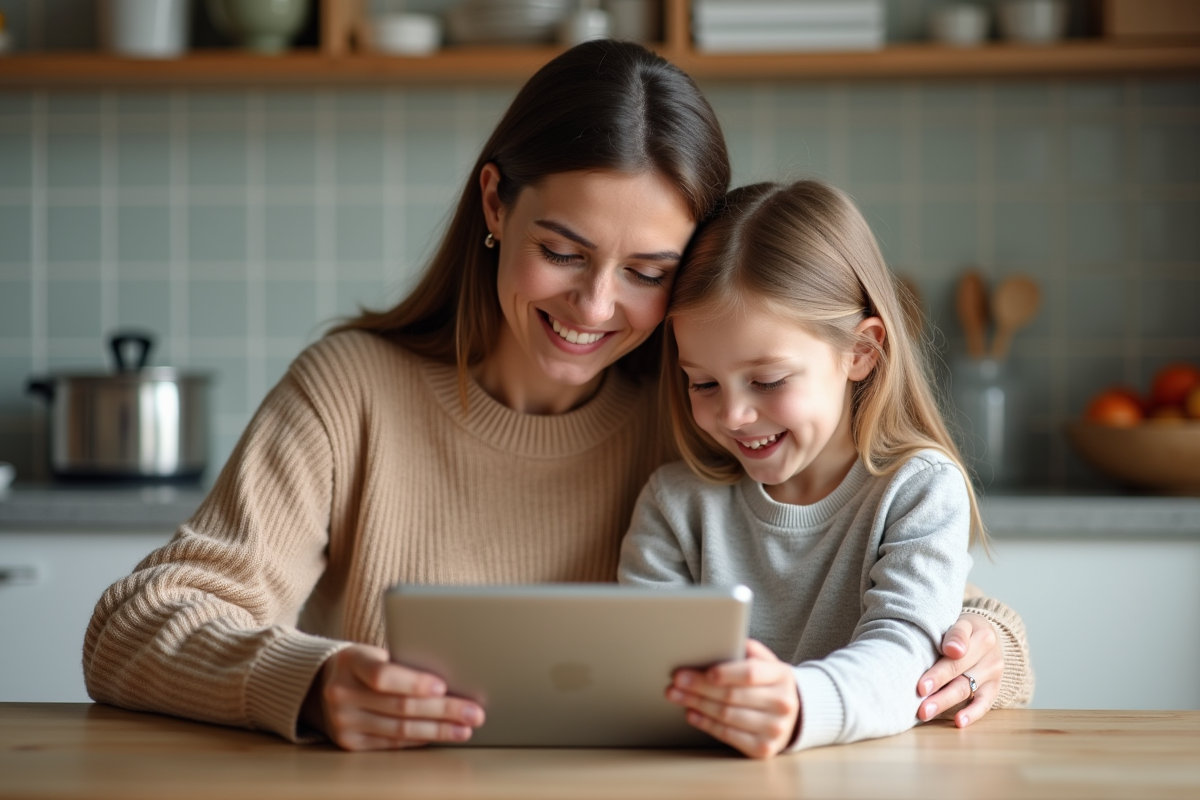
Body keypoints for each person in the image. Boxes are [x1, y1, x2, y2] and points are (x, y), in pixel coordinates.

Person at [82, 41, 1030, 753]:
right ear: (496, 206)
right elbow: (136, 623)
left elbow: (871, 578)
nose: (595, 305)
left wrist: (986, 644)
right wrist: (313, 679)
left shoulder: (697, 414)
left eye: (649, 271)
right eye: (564, 252)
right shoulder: (351, 394)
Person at [618, 179, 1014, 758]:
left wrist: (800, 704)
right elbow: (640, 663)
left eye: (768, 380)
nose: (732, 413)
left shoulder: (918, 490)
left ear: (861, 352)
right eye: (702, 382)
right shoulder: (677, 502)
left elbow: (907, 651)